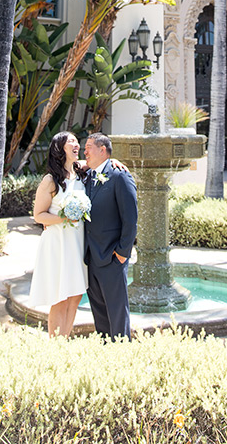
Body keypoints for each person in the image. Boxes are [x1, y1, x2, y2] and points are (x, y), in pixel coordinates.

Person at [29, 131, 88, 337]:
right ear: (59, 148)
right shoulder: (50, 180)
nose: (76, 144)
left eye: (76, 141)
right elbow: (39, 215)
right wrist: (65, 218)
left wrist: (114, 160)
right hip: (58, 242)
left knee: (75, 295)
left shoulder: (80, 172)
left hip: (77, 242)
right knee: (60, 296)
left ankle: (66, 338)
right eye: (70, 141)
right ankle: (55, 344)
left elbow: (100, 162)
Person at [83, 132, 138, 340]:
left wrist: (122, 254)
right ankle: (106, 353)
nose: (85, 151)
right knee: (99, 313)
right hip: (91, 257)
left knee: (117, 314)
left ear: (102, 150)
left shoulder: (119, 176)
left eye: (89, 147)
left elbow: (130, 219)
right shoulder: (86, 176)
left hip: (112, 258)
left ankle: (122, 353)